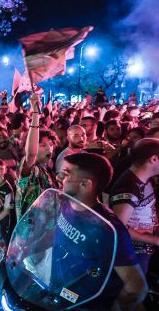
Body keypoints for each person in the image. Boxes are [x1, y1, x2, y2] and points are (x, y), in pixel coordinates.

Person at [57, 153, 147, 309]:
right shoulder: (67, 202)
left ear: (85, 184)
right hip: (59, 294)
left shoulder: (107, 228)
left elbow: (136, 286)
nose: (59, 177)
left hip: (83, 305)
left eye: (66, 173)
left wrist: (115, 307)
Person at [111, 138, 159, 274]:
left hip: (145, 246)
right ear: (154, 159)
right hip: (134, 251)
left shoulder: (145, 179)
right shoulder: (128, 186)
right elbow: (119, 227)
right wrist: (154, 240)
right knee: (136, 291)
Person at [16, 95, 59, 219]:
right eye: (42, 145)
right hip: (30, 230)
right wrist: (35, 113)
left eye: (51, 144)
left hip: (48, 228)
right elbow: (31, 154)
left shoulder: (48, 169)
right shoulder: (30, 168)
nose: (48, 148)